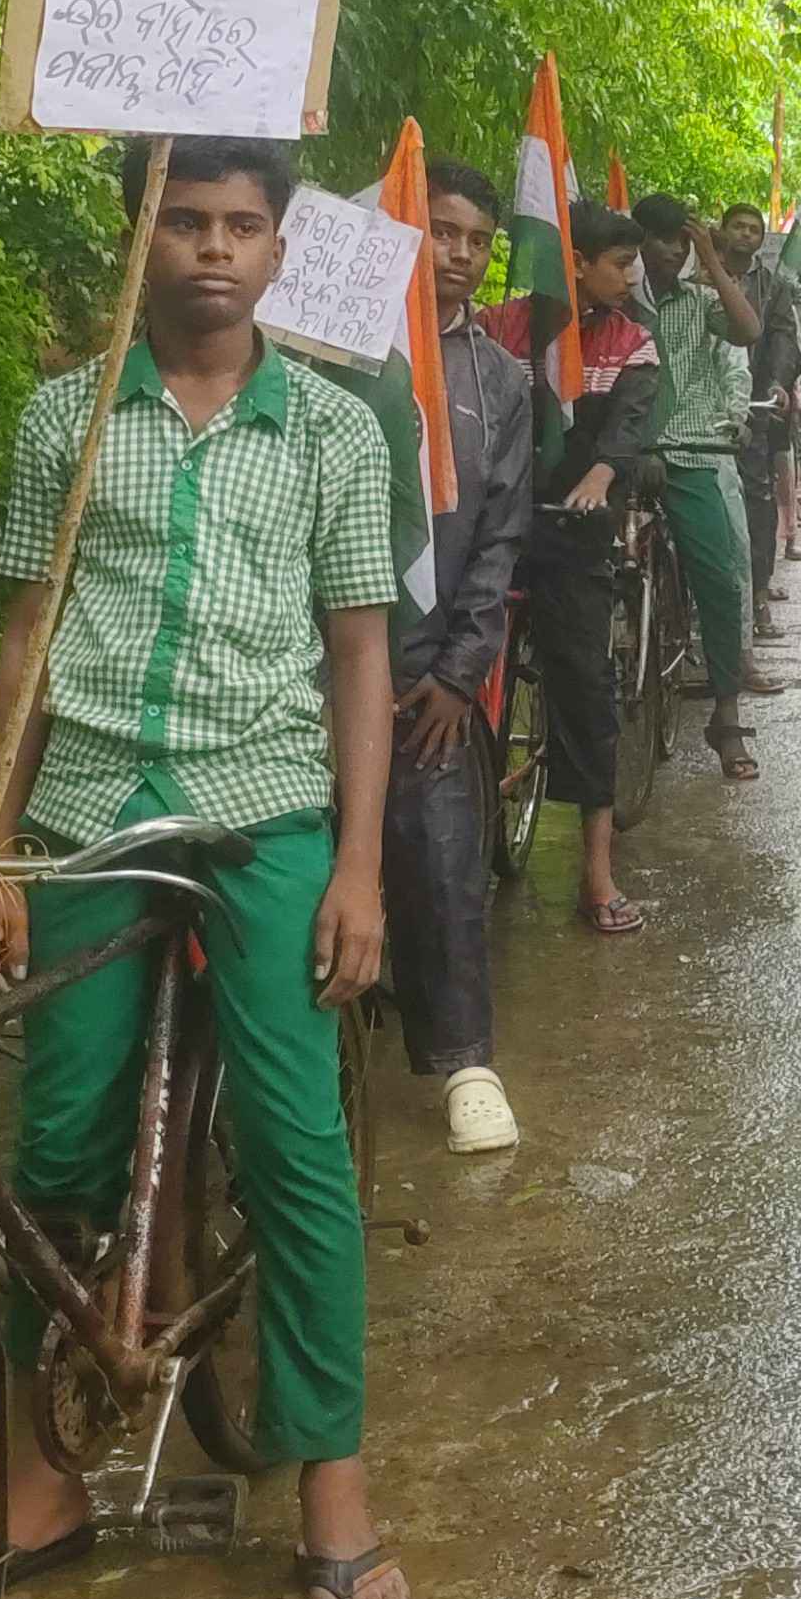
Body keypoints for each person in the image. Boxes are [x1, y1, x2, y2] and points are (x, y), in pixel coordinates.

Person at [0, 135, 407, 1599]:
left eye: (241, 225)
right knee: (58, 1151)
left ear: (279, 249)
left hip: (266, 810)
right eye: (184, 221)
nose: (213, 248)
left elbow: (360, 651)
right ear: (139, 238)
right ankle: (41, 1471)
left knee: (295, 1151)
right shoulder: (67, 417)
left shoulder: (335, 430)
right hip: (95, 806)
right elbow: (28, 635)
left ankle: (332, 1484)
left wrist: (359, 866)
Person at [359, 153, 533, 1153]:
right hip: (317, 662)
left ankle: (466, 1063)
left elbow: (500, 536)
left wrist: (461, 673)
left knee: (442, 860)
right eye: (443, 234)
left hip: (431, 671)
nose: (459, 255)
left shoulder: (499, 379)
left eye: (477, 241)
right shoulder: (333, 357)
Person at [477, 202, 660, 934]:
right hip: (491, 525)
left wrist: (603, 476)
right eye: (620, 263)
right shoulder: (496, 327)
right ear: (574, 262)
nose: (631, 277)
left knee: (586, 688)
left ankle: (596, 874)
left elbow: (629, 427)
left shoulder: (630, 340)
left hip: (575, 529)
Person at [634, 194, 778, 779]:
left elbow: (749, 329)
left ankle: (726, 712)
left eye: (682, 241)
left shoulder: (698, 301)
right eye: (662, 239)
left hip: (692, 452)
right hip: (622, 455)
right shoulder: (619, 301)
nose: (673, 251)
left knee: (719, 578)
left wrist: (712, 263)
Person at [717, 203, 801, 643]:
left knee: (756, 497)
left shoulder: (772, 286)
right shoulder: (698, 279)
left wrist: (777, 383)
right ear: (722, 230)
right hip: (702, 406)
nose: (745, 235)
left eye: (754, 230)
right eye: (738, 227)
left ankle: (757, 595)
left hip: (752, 407)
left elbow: (784, 340)